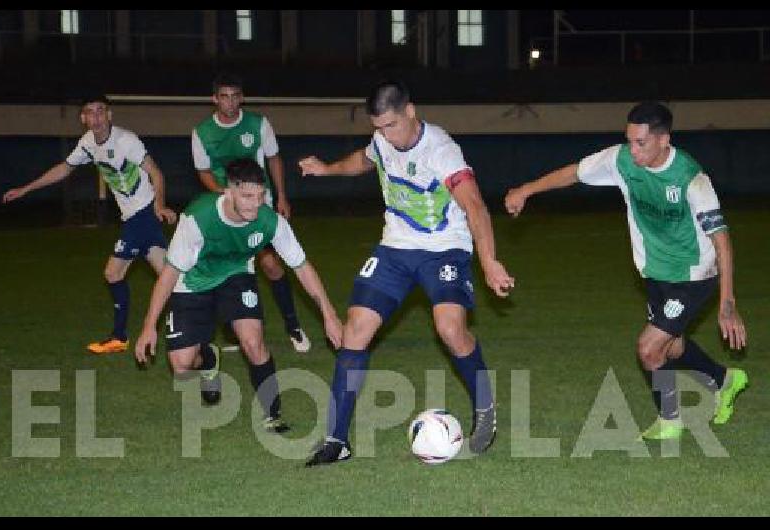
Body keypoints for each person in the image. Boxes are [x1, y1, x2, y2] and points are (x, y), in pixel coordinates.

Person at [299, 80, 515, 466]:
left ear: (411, 111)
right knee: (356, 329)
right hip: (396, 248)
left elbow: (476, 207)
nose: (385, 135)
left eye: (391, 126)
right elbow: (365, 160)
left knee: (450, 329)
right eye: (378, 127)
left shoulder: (441, 150)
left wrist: (489, 261)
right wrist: (328, 169)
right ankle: (337, 439)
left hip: (444, 247)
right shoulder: (383, 139)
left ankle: (485, 406)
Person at [504, 101, 748, 440]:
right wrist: (527, 190)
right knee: (672, 347)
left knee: (649, 349)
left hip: (693, 275)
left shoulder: (691, 180)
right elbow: (575, 172)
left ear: (664, 140)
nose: (632, 151)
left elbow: (722, 242)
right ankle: (725, 380)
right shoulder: (621, 160)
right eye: (629, 140)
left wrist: (727, 303)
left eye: (641, 143)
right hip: (655, 272)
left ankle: (671, 419)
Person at [134, 158, 343, 432]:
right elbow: (170, 275)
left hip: (236, 275)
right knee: (182, 366)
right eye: (246, 196)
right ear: (228, 192)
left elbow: (301, 267)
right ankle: (208, 358)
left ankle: (272, 413)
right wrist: (149, 326)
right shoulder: (198, 218)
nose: (255, 204)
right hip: (193, 281)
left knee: (253, 342)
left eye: (260, 196)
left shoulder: (269, 221)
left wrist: (329, 314)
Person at [2, 93, 177, 354]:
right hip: (134, 216)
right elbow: (64, 168)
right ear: (83, 118)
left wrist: (160, 205)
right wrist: (27, 189)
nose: (96, 117)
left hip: (143, 214)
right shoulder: (87, 143)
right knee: (169, 276)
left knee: (113, 273)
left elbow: (156, 173)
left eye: (100, 111)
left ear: (109, 114)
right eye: (90, 112)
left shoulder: (126, 141)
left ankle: (119, 336)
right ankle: (201, 314)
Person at [192, 71, 311, 354]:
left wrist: (281, 196)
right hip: (224, 208)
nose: (230, 103)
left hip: (259, 204)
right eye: (224, 97)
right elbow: (204, 172)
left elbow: (273, 158)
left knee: (270, 265)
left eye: (235, 97)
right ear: (215, 99)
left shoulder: (258, 124)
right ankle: (239, 331)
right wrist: (225, 196)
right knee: (226, 267)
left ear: (242, 98)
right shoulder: (202, 132)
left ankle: (293, 325)